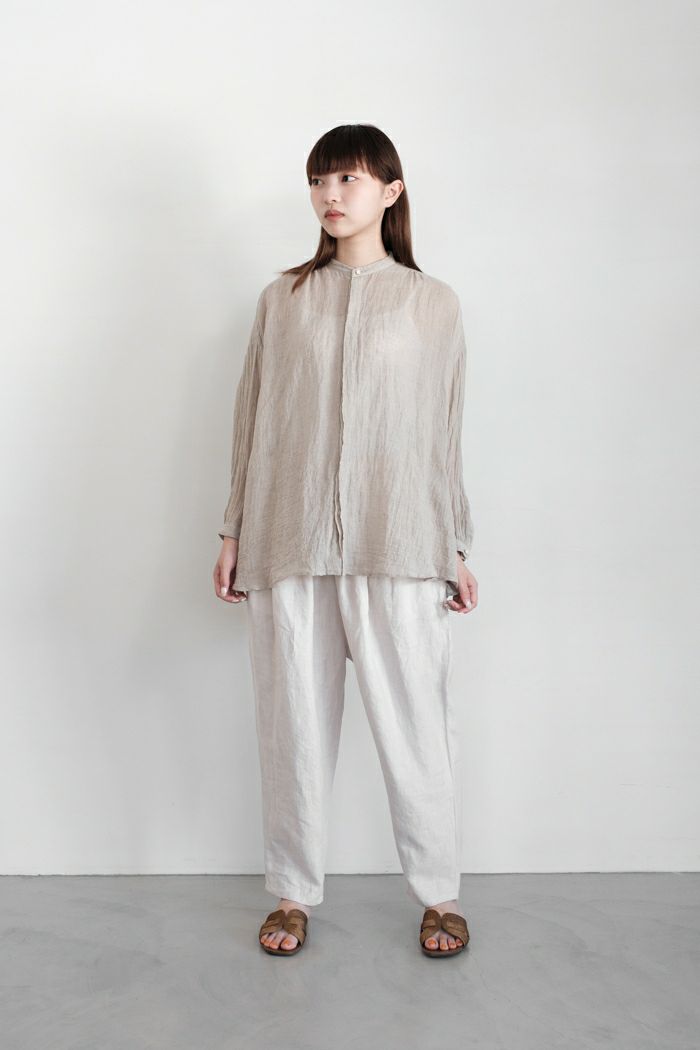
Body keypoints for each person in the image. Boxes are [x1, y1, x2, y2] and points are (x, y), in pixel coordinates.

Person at [212, 123, 478, 958]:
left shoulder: (433, 303)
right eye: (320, 180)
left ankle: (439, 895)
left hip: (399, 538)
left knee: (417, 729)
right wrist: (233, 529)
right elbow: (252, 419)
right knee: (291, 727)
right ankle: (293, 894)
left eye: (349, 179)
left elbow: (442, 432)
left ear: (391, 191)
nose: (330, 196)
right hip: (288, 536)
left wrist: (455, 543)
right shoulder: (282, 299)